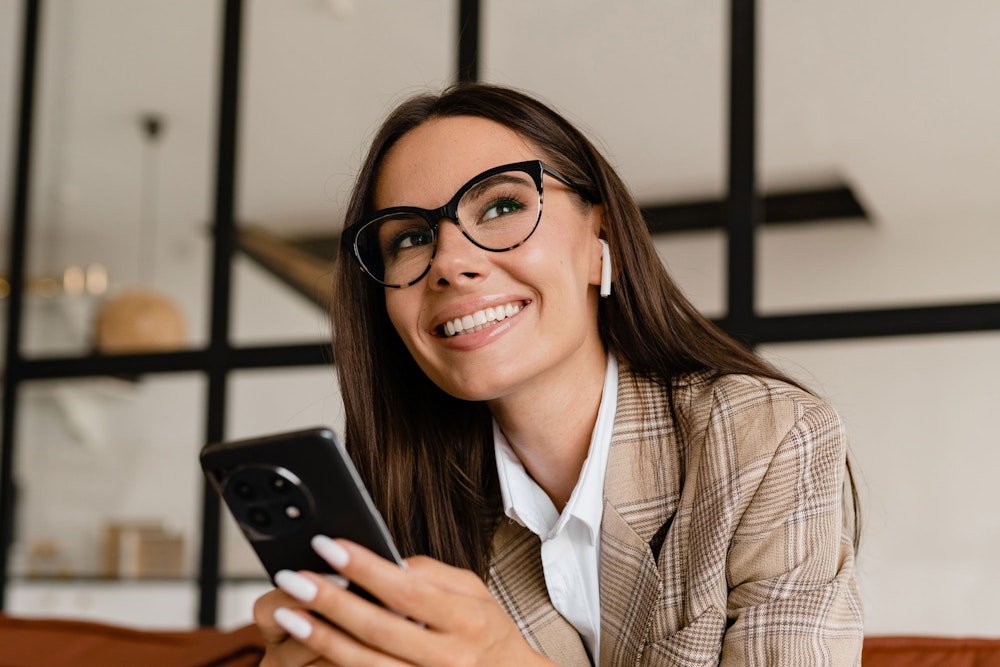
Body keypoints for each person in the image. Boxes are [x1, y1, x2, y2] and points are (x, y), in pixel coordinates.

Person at [253, 83, 864, 666]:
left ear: (604, 242)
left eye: (501, 206)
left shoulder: (768, 437)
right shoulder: (402, 501)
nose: (450, 262)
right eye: (411, 237)